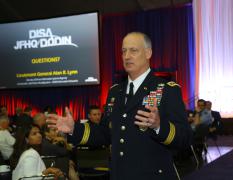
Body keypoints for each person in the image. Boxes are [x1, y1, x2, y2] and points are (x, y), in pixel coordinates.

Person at [47, 32, 192, 180]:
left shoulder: (166, 88)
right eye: (123, 51)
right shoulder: (115, 91)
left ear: (148, 53)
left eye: (133, 50)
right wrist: (74, 129)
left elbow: (185, 138)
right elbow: (105, 133)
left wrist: (158, 126)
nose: (127, 56)